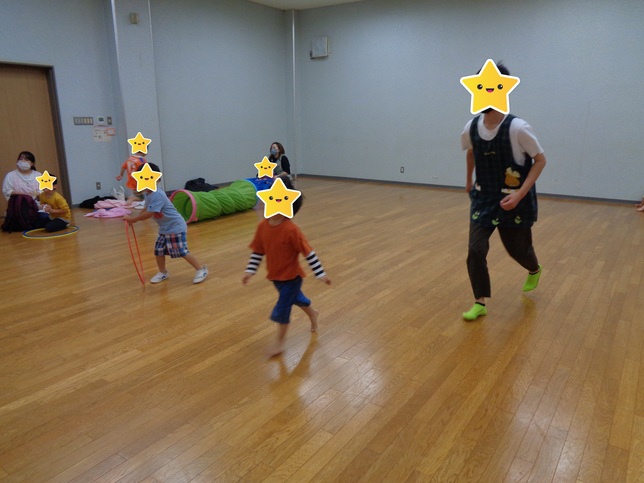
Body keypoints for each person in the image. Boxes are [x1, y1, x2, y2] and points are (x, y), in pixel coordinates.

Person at [461, 63, 547, 321]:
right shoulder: (471, 127)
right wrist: (468, 180)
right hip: (483, 199)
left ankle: (534, 268)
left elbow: (540, 160)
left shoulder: (518, 128)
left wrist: (519, 194)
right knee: (476, 250)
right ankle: (480, 302)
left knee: (518, 250)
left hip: (514, 201)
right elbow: (471, 152)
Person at [242, 178, 331, 356]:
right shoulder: (263, 227)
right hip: (276, 277)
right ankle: (313, 313)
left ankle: (279, 343)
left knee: (282, 308)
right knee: (296, 299)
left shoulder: (292, 230)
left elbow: (308, 253)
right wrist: (250, 271)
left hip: (292, 278)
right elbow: (258, 251)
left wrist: (320, 273)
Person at [124, 162, 208, 285]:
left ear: (157, 179)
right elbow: (145, 209)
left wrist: (134, 220)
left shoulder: (158, 195)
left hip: (176, 227)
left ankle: (201, 270)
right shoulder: (148, 194)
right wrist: (133, 218)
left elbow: (149, 214)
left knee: (181, 251)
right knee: (159, 251)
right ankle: (163, 272)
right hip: (165, 228)